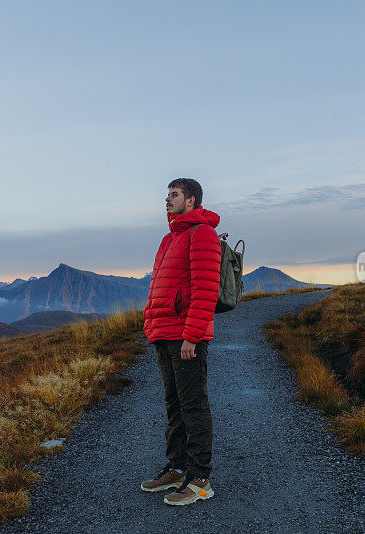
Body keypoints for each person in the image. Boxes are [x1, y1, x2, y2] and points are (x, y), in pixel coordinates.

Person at [140, 178, 222, 506]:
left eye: (173, 195)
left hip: (186, 336)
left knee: (193, 405)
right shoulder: (168, 239)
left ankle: (200, 479)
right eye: (167, 194)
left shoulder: (202, 233)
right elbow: (158, 285)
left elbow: (206, 289)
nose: (167, 199)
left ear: (190, 200)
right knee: (174, 404)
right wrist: (151, 322)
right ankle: (177, 468)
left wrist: (192, 335)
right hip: (163, 333)